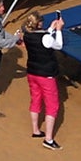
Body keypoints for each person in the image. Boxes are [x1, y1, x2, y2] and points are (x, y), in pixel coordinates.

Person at [20, 12, 65, 148]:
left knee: (36, 99)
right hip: (46, 75)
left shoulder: (27, 35)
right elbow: (58, 45)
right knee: (52, 106)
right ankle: (49, 139)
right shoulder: (45, 37)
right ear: (39, 23)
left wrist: (51, 29)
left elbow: (42, 39)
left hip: (32, 73)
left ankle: (35, 130)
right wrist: (58, 30)